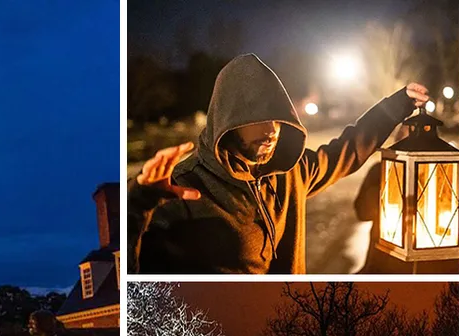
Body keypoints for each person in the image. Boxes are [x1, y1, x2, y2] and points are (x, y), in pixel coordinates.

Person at [126, 52, 429, 274]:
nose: (271, 130)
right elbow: (134, 276)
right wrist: (139, 201)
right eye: (258, 121)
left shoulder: (290, 171)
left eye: (278, 120)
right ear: (229, 122)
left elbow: (346, 150)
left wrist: (396, 106)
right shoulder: (184, 188)